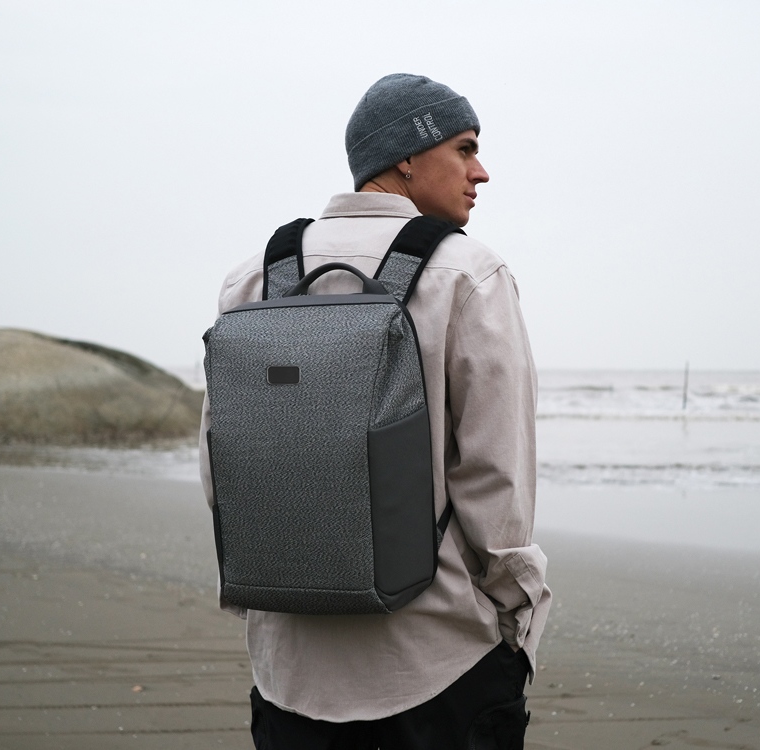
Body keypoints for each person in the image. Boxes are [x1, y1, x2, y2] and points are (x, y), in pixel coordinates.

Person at [199, 73, 551, 749]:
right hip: (436, 664)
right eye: (465, 149)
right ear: (406, 157)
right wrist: (515, 623)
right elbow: (496, 478)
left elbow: (223, 461)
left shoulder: (254, 278)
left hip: (288, 673)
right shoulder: (469, 274)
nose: (481, 172)